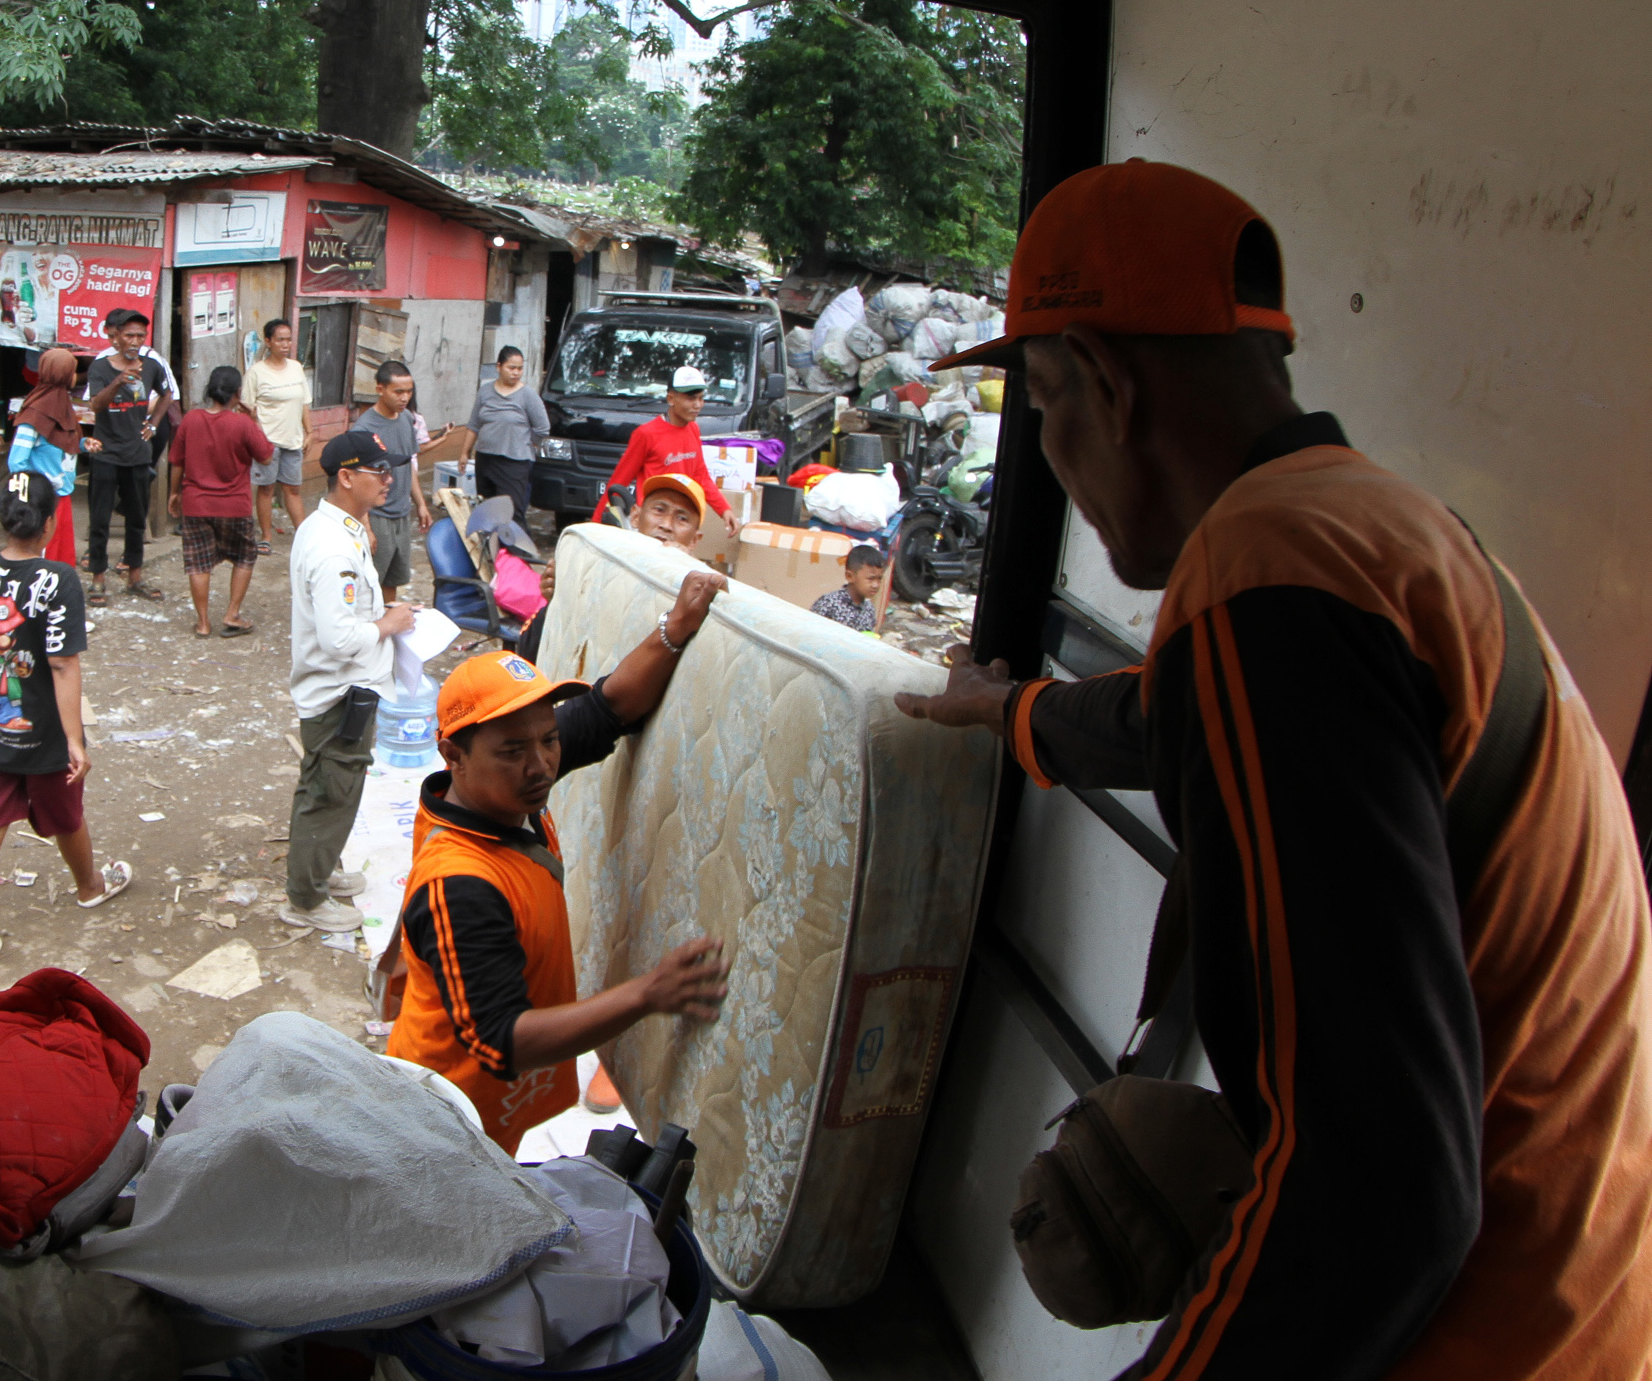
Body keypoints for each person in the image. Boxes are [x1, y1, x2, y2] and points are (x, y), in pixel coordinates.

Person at [892, 160, 1650, 1380]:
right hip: (1591, 1288)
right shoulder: (1374, 534)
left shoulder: (1265, 586)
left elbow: (1375, 1192)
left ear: (1109, 385)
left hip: (1489, 1334)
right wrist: (1014, 713)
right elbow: (1178, 722)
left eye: (1041, 400)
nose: (1052, 448)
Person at [385, 578, 735, 1154]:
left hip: (495, 1106)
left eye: (548, 740)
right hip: (446, 1118)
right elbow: (505, 1040)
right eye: (515, 751)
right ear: (453, 754)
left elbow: (607, 709)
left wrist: (675, 629)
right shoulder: (460, 884)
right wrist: (649, 993)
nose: (542, 765)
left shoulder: (500, 783)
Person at [0, 470, 134, 974]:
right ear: (51, 522)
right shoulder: (58, 579)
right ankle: (90, 887)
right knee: (66, 813)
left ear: (2, 518)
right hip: (43, 731)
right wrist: (75, 740)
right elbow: (63, 663)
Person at [284, 430, 417, 933]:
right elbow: (339, 637)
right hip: (339, 690)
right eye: (379, 473)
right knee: (331, 790)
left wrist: (386, 612)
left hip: (348, 684)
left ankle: (317, 870)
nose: (390, 481)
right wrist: (390, 625)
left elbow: (349, 609)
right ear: (345, 477)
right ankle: (305, 898)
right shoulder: (333, 548)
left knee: (331, 785)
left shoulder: (342, 528)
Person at [166, 364, 274, 639]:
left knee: (198, 563)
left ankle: (203, 622)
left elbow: (177, 462)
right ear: (238, 393)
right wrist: (255, 421)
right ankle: (232, 612)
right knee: (244, 556)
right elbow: (266, 457)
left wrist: (174, 493)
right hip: (234, 505)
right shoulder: (242, 424)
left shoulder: (190, 419)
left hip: (196, 503)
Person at [83, 308, 176, 601]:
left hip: (137, 454)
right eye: (129, 335)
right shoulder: (100, 368)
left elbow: (167, 394)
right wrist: (119, 381)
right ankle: (98, 580)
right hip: (106, 453)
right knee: (99, 520)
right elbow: (96, 405)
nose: (135, 341)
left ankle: (135, 577)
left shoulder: (151, 366)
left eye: (140, 335)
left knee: (136, 519)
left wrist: (154, 423)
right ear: (116, 338)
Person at [590, 368, 739, 535]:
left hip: (682, 523)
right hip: (653, 524)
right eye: (691, 398)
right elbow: (618, 482)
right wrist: (595, 528)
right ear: (671, 398)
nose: (698, 405)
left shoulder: (694, 430)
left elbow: (700, 476)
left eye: (701, 398)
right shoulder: (646, 434)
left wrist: (724, 509)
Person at [349, 362, 431, 598]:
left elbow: (408, 465)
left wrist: (421, 504)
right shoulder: (364, 429)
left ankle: (387, 629)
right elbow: (356, 484)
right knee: (370, 584)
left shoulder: (406, 419)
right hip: (377, 517)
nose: (405, 397)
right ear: (380, 389)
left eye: (409, 391)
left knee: (393, 582)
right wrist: (366, 526)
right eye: (398, 392)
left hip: (402, 515)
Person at [15, 347, 92, 569]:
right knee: (43, 555)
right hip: (44, 498)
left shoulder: (62, 405)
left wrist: (82, 444)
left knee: (61, 555)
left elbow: (60, 442)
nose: (75, 377)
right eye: (72, 372)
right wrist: (36, 490)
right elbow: (16, 460)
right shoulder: (35, 413)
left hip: (62, 493)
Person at [244, 317, 313, 553]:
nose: (286, 344)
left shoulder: (296, 368)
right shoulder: (256, 372)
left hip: (293, 439)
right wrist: (257, 438)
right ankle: (265, 536)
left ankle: (303, 536)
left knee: (293, 488)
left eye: (289, 339)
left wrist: (310, 431)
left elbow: (304, 403)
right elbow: (247, 410)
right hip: (267, 441)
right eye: (280, 339)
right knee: (266, 489)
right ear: (268, 341)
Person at [463, 345, 549, 525]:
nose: (516, 373)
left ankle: (518, 552)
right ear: (499, 366)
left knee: (512, 515)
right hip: (485, 459)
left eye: (519, 368)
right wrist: (465, 453)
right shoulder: (485, 391)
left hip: (515, 463)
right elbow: (473, 425)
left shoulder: (528, 395)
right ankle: (493, 552)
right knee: (487, 510)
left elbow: (542, 429)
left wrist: (524, 443)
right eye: (511, 368)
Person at [808, 545, 886, 633]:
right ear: (850, 576)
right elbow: (810, 633)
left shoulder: (869, 610)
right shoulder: (829, 603)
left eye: (879, 579)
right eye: (870, 579)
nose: (876, 585)